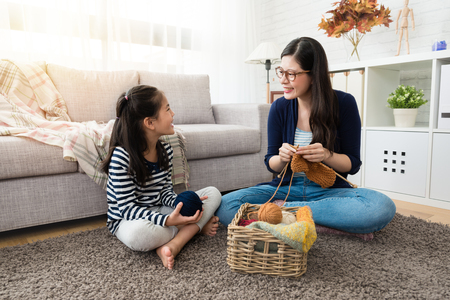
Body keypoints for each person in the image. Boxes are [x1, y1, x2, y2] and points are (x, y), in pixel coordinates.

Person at [216, 37, 396, 237]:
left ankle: (283, 215)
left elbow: (352, 164)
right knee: (225, 205)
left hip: (327, 193)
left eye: (291, 74)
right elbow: (271, 164)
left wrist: (327, 155)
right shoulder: (279, 107)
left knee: (381, 206)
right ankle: (314, 221)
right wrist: (282, 157)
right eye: (281, 72)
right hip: (285, 190)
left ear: (314, 75)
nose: (283, 79)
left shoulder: (344, 103)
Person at [101, 85, 221, 270]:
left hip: (160, 209)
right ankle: (192, 230)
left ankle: (175, 242)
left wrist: (179, 205)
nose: (173, 113)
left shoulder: (165, 150)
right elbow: (126, 210)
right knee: (140, 236)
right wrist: (168, 221)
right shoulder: (121, 157)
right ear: (150, 123)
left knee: (212, 193)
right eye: (167, 109)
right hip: (128, 220)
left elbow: (165, 191)